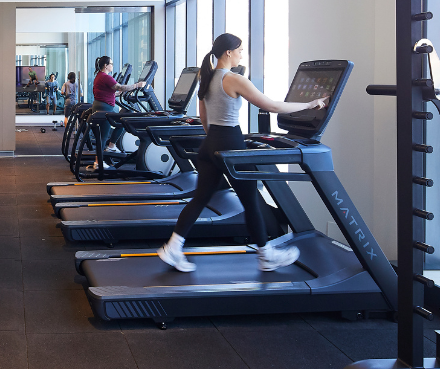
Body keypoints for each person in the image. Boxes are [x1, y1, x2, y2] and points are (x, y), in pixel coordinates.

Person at [156, 34, 327, 273]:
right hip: (231, 144)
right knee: (250, 201)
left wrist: (215, 141)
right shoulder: (233, 79)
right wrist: (309, 105)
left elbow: (204, 119)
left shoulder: (205, 77)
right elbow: (272, 106)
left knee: (200, 198)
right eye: (240, 50)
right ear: (228, 52)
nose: (241, 54)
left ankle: (173, 246)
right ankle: (266, 255)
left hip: (209, 144)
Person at [90, 56, 145, 171]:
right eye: (111, 63)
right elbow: (119, 86)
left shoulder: (100, 76)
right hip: (103, 108)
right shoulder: (105, 77)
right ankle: (98, 162)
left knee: (119, 123)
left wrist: (116, 94)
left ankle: (111, 146)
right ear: (106, 65)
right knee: (104, 135)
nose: (112, 66)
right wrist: (137, 85)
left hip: (101, 105)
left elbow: (107, 91)